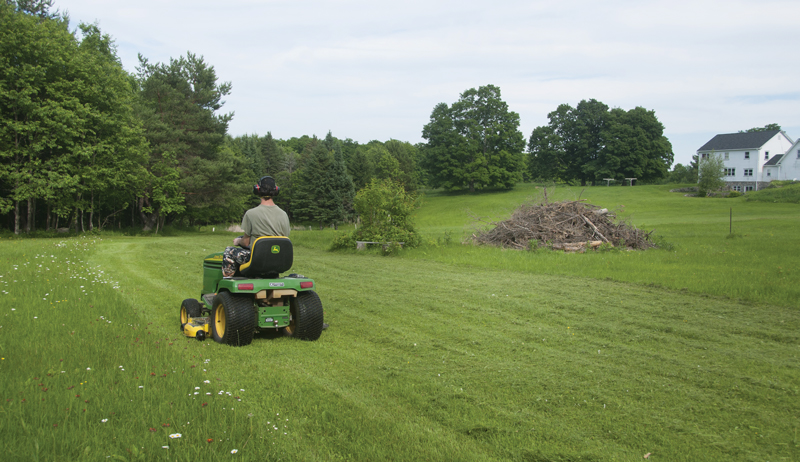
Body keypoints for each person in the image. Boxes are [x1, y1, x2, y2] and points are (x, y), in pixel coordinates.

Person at [222, 176, 290, 278]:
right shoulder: (284, 214)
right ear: (276, 190)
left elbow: (245, 242)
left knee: (229, 251)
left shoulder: (251, 214)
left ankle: (227, 283)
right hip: (278, 258)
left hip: (258, 258)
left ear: (257, 190)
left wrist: (238, 241)